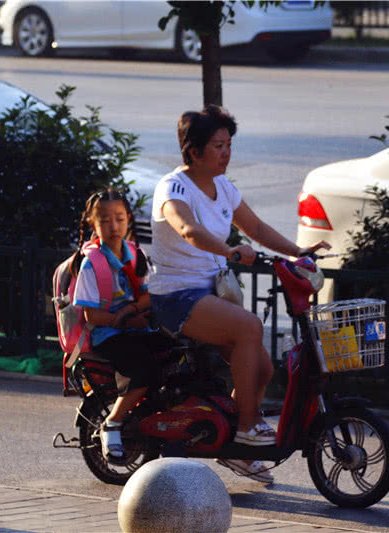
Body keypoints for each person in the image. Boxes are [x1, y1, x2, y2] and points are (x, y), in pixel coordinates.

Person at [148, 105, 329, 481]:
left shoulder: (224, 187)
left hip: (210, 295)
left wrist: (298, 252)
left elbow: (256, 226)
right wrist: (229, 250)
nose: (227, 153)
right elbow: (186, 228)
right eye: (218, 145)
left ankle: (235, 448)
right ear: (194, 151)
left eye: (229, 144)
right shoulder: (173, 187)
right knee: (249, 327)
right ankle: (249, 426)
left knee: (262, 368)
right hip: (176, 295)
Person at [71, 188, 170, 462]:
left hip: (136, 328)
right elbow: (91, 315)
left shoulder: (136, 255)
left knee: (177, 353)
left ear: (128, 219)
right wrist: (124, 318)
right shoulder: (92, 264)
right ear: (93, 224)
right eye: (104, 220)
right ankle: (113, 422)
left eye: (119, 219)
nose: (113, 226)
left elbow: (149, 294)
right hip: (109, 335)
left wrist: (134, 309)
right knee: (144, 369)